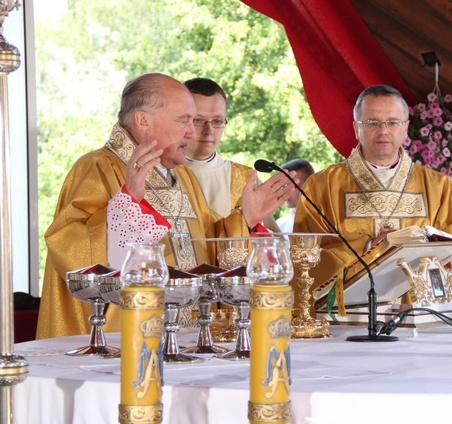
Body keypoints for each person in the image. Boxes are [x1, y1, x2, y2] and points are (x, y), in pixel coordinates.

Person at [37, 73, 295, 339]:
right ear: (143, 120)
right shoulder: (97, 167)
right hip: (125, 338)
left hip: (188, 336)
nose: (192, 133)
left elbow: (205, 246)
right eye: (184, 120)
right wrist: (128, 204)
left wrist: (245, 219)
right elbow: (69, 250)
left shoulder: (183, 176)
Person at [293, 84, 452, 300]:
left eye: (392, 122)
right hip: (350, 319)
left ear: (405, 127)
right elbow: (306, 255)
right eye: (372, 123)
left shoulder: (438, 187)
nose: (383, 131)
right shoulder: (321, 186)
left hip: (418, 314)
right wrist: (370, 246)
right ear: (356, 128)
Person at [183, 77, 279, 232]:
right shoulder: (161, 174)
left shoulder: (246, 179)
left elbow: (269, 243)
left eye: (217, 121)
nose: (209, 131)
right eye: (199, 120)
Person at [275, 159, 315, 233]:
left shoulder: (324, 224)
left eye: (293, 186)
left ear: (310, 186)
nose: (285, 191)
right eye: (283, 186)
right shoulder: (280, 225)